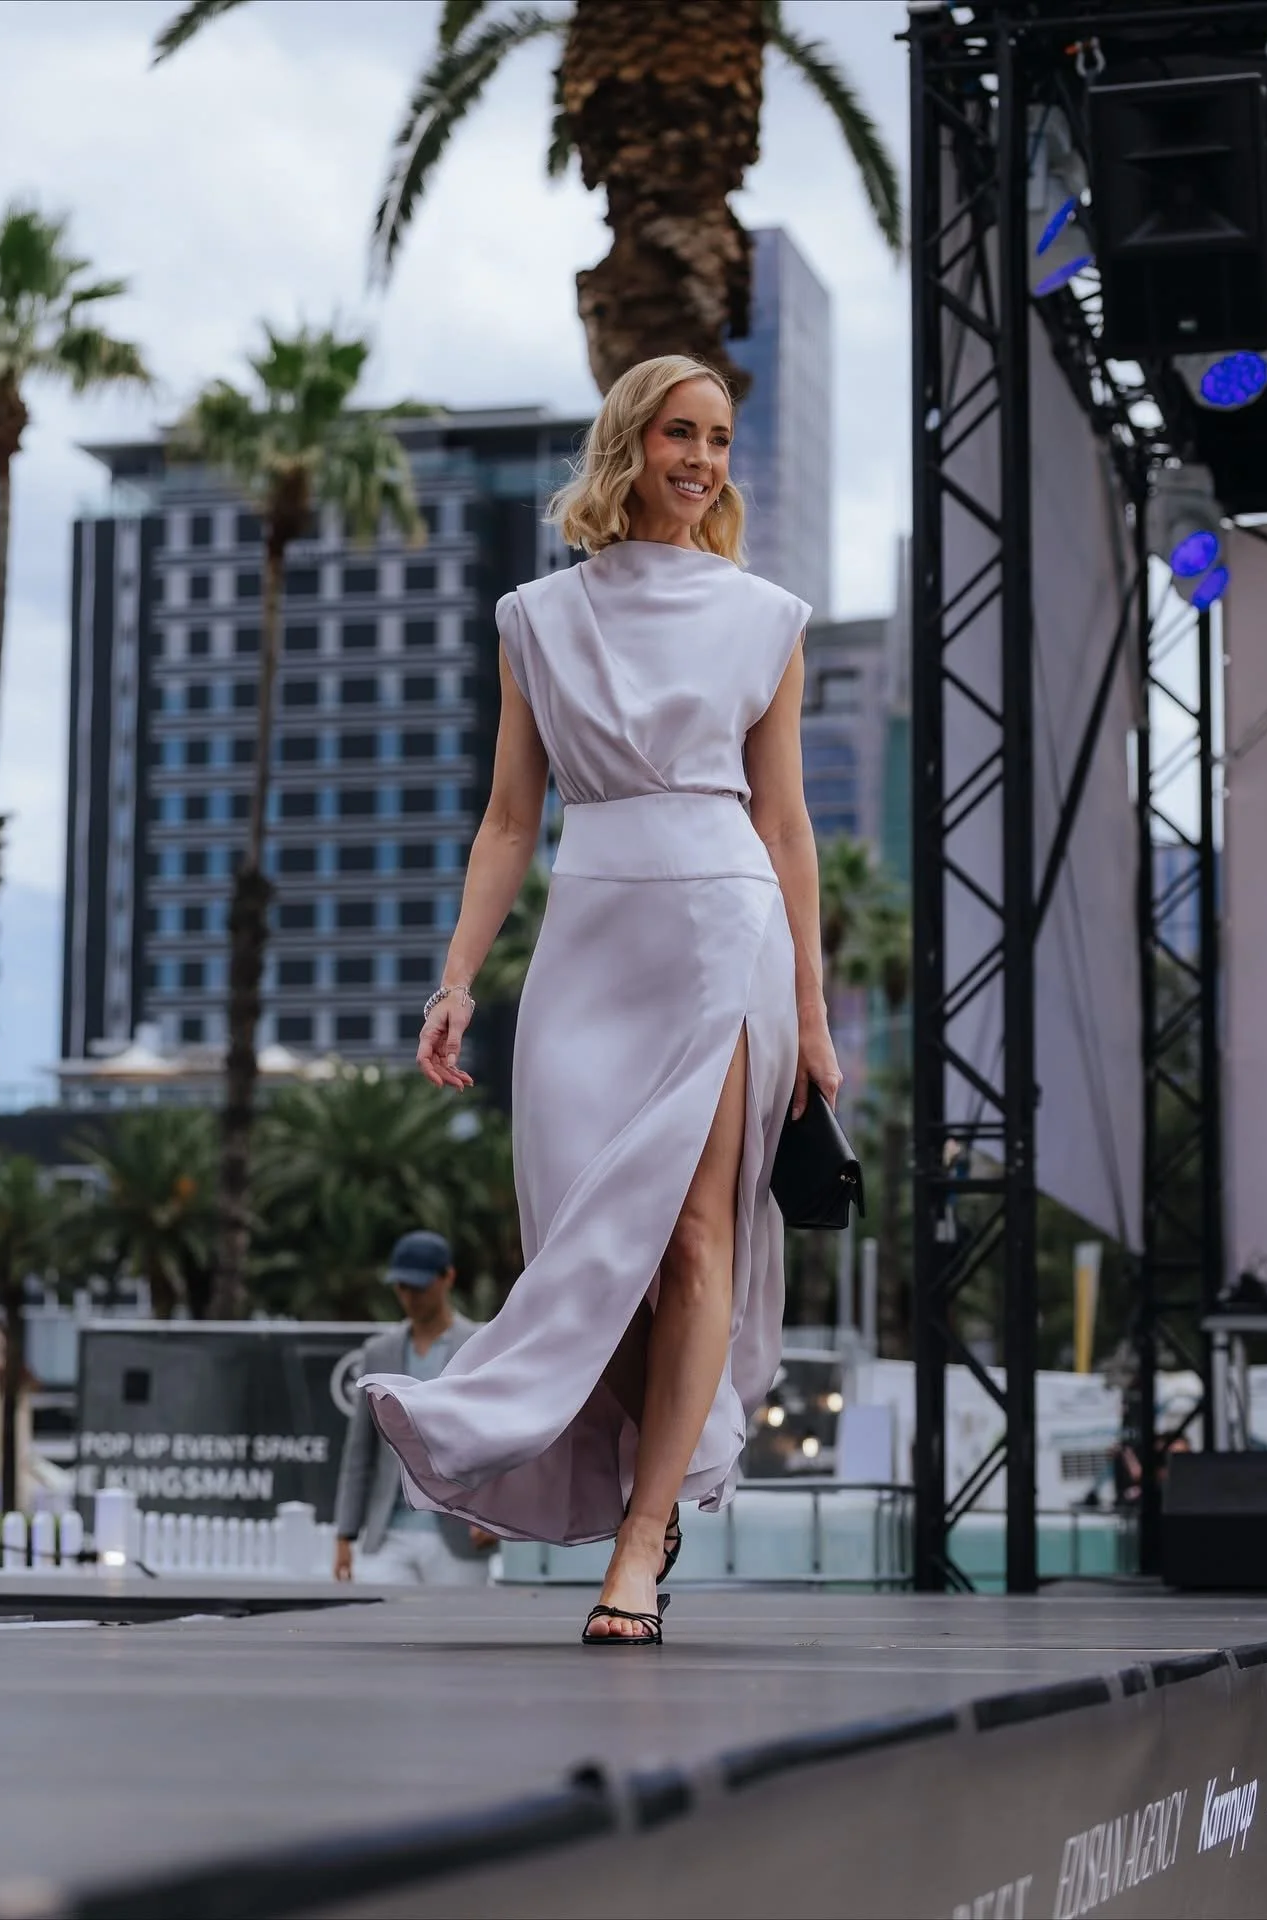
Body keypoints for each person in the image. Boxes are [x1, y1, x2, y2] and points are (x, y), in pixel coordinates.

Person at [361, 353, 840, 1645]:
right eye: (680, 432)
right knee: (586, 1241)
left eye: (721, 438)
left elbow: (789, 827)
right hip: (589, 933)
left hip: (721, 923)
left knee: (691, 1239)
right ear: (631, 442)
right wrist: (457, 979)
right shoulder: (536, 617)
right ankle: (677, 1446)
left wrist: (815, 1005)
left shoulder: (768, 619)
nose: (701, 458)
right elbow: (513, 817)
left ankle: (639, 1544)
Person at [333, 1230, 496, 1587]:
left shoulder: (480, 1345)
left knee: (457, 1641)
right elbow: (359, 1451)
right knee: (379, 1636)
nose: (409, 1297)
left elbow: (494, 1441)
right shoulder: (378, 1351)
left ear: (447, 1278)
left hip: (459, 1537)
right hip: (387, 1535)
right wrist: (345, 1534)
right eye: (401, 1287)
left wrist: (493, 1518)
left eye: (419, 1287)